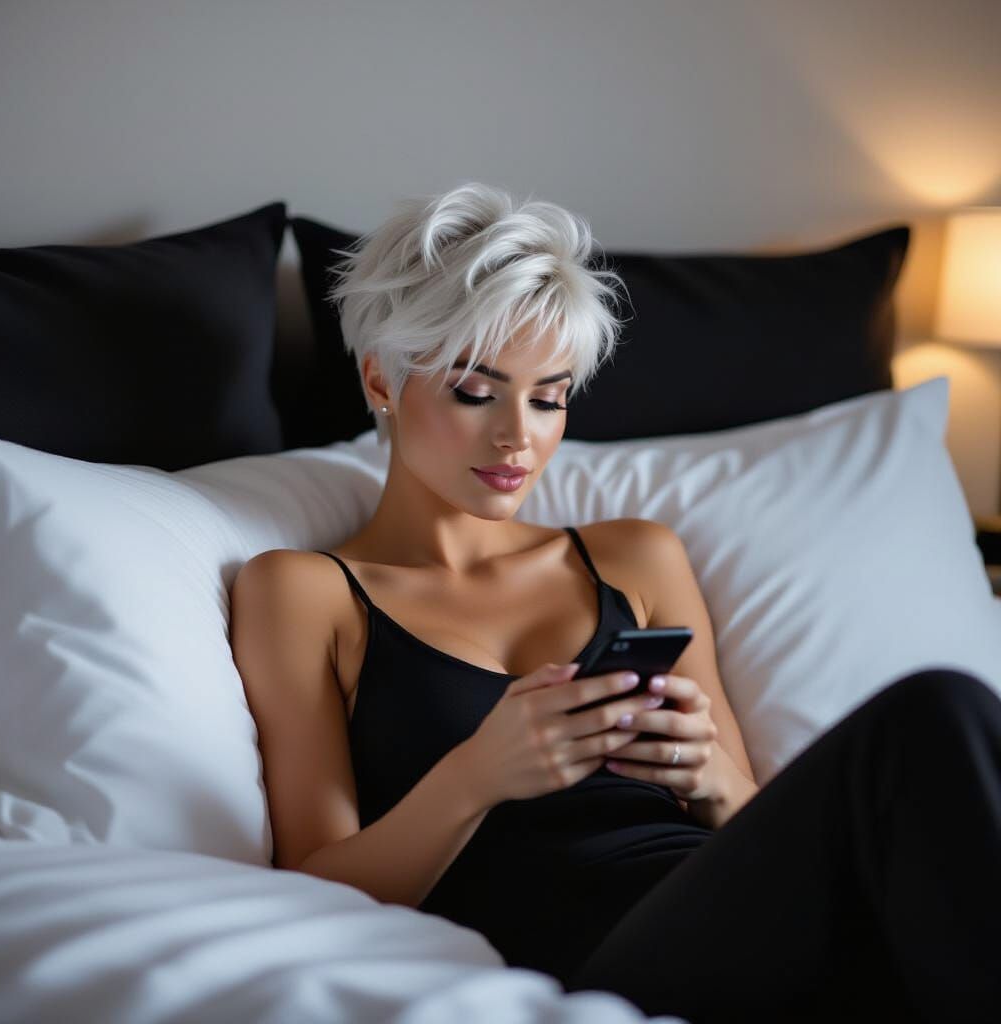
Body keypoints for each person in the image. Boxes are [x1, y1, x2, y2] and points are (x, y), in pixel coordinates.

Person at [229, 182, 1001, 1024]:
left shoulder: (635, 555)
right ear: (382, 379)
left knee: (940, 730)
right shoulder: (304, 594)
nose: (517, 437)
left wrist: (706, 778)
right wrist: (477, 778)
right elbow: (316, 883)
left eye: (549, 396)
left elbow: (742, 815)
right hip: (603, 947)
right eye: (475, 392)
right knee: (935, 709)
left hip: (738, 894)